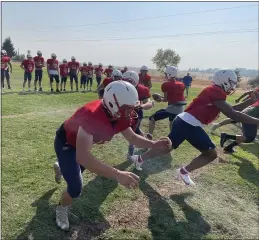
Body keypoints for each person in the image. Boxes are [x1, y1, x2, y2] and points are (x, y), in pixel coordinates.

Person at [53, 80, 171, 231]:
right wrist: (117, 174)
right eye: (128, 109)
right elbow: (82, 157)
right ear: (114, 103)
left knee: (75, 172)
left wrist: (153, 144)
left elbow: (133, 138)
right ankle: (61, 208)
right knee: (76, 187)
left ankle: (62, 167)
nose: (131, 113)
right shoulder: (92, 115)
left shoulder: (115, 111)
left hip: (80, 146)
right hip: (67, 144)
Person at [129, 69, 259, 185]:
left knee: (167, 147)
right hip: (189, 123)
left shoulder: (215, 91)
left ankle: (139, 158)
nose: (232, 86)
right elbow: (233, 113)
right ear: (223, 81)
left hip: (184, 120)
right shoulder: (216, 91)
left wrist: (250, 102)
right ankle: (183, 171)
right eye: (231, 82)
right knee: (211, 154)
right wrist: (256, 121)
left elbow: (232, 109)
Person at [147, 66, 186, 140]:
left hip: (172, 108)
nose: (165, 75)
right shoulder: (181, 84)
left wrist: (159, 98)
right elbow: (174, 97)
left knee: (152, 118)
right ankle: (172, 138)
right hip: (181, 109)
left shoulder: (166, 84)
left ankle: (150, 136)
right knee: (172, 122)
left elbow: (165, 100)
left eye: (166, 74)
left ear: (169, 74)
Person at [123, 70, 155, 158]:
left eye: (130, 82)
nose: (127, 83)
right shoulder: (121, 87)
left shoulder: (142, 89)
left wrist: (141, 106)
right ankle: (148, 143)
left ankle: (131, 153)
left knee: (132, 132)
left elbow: (149, 103)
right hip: (124, 112)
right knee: (136, 131)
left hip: (135, 113)